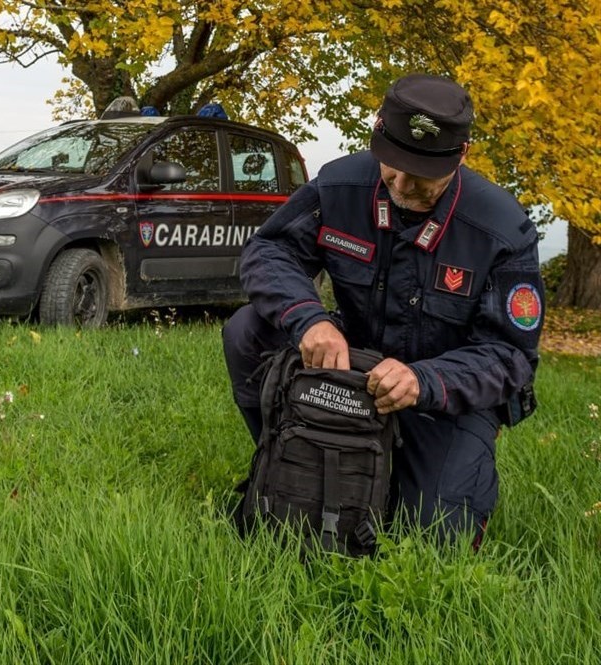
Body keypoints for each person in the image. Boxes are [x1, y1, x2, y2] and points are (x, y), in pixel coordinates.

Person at [222, 73, 545, 544]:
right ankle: (293, 451)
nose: (403, 183)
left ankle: (413, 475)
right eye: (393, 164)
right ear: (376, 134)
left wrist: (426, 380)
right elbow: (269, 252)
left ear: (462, 155)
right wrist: (309, 319)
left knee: (433, 534)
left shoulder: (501, 230)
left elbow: (510, 355)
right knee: (246, 330)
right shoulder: (339, 185)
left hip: (443, 395)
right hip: (352, 369)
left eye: (422, 172)